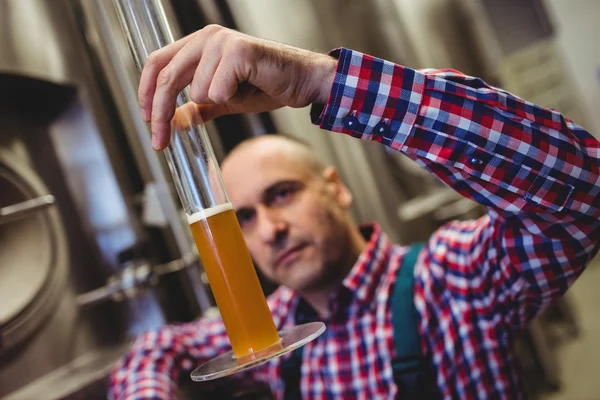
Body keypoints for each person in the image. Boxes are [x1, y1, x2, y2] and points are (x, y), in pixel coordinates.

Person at [109, 25, 600, 399]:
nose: (272, 230)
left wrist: (322, 80)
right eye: (245, 219)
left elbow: (583, 192)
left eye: (281, 194)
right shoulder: (269, 327)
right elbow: (154, 349)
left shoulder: (452, 279)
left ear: (336, 189)